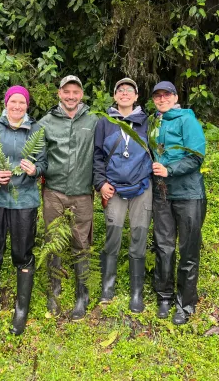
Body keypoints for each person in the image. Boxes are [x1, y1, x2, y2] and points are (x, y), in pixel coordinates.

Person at [0, 85, 47, 336]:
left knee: (22, 252)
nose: (17, 106)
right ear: (6, 103)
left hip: (24, 201)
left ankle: (21, 310)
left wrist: (34, 170)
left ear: (27, 105)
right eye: (13, 101)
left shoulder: (37, 130)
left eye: (22, 102)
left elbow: (44, 162)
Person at [39, 75, 98, 320]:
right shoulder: (46, 122)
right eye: (66, 92)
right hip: (54, 192)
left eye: (75, 92)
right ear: (59, 94)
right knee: (54, 239)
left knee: (81, 243)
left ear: (81, 94)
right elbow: (33, 150)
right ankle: (54, 288)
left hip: (83, 193)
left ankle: (82, 293)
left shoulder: (94, 121)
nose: (71, 96)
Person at [93, 78, 153, 312]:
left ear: (136, 96)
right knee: (113, 235)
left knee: (139, 236)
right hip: (114, 188)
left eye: (130, 90)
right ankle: (108, 287)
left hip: (142, 187)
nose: (125, 93)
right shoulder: (104, 122)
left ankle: (136, 293)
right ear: (115, 96)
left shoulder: (147, 122)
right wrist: (100, 184)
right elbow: (97, 156)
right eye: (120, 90)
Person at [150, 81, 206, 325]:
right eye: (157, 96)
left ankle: (185, 303)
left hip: (189, 194)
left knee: (188, 248)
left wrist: (169, 170)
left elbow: (196, 156)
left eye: (166, 95)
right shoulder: (154, 122)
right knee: (163, 245)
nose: (162, 99)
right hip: (162, 194)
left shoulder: (187, 119)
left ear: (175, 97)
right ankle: (164, 296)